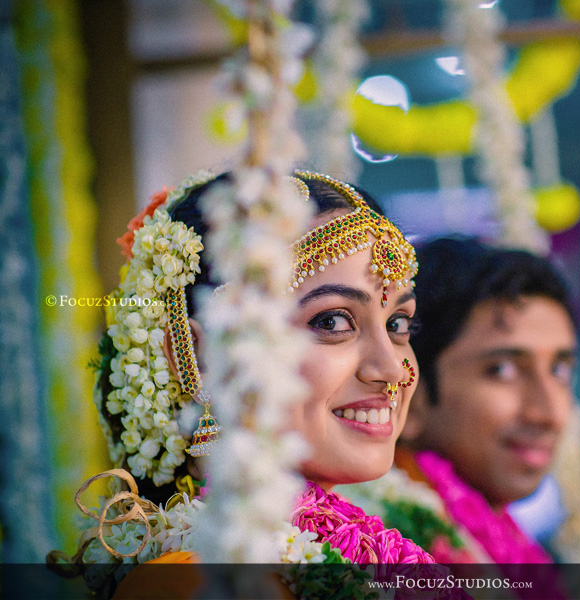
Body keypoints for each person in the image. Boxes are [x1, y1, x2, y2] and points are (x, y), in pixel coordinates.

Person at [48, 170, 456, 598]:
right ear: (200, 359)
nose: (391, 369)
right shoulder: (198, 582)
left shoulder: (350, 558)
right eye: (332, 321)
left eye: (397, 323)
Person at [338, 236, 580, 566]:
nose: (548, 413)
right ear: (408, 392)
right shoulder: (369, 552)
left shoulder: (511, 548)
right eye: (502, 369)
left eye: (559, 370)